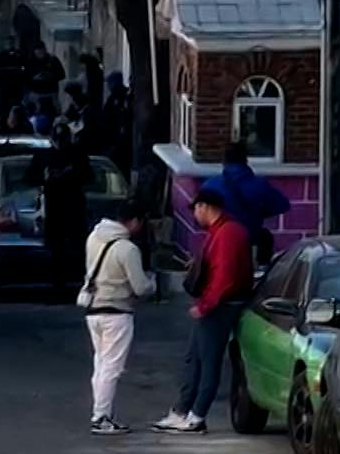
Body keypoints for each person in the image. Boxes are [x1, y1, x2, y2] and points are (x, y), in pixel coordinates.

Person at [153, 188, 254, 434]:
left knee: (207, 361)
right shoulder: (222, 232)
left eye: (196, 209)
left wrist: (205, 304)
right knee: (195, 359)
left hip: (221, 306)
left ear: (204, 207)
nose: (195, 215)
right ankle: (182, 410)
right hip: (218, 304)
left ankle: (196, 416)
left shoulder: (227, 234)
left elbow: (224, 277)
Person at [81, 200, 156, 435]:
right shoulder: (128, 248)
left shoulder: (94, 237)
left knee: (101, 365)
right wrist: (152, 282)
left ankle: (102, 413)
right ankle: (101, 416)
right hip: (117, 313)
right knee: (112, 367)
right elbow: (140, 287)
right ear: (133, 222)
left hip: (93, 309)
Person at [202, 142, 291, 268]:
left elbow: (201, 216)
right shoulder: (259, 184)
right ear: (245, 160)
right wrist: (260, 212)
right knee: (265, 237)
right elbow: (283, 205)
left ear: (224, 161)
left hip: (221, 237)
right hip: (250, 235)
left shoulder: (211, 185)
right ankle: (262, 270)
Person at [32, 128, 92, 286]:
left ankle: (78, 280)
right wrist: (44, 177)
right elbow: (30, 177)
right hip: (53, 206)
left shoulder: (78, 155)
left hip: (73, 206)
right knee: (54, 248)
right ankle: (56, 284)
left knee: (76, 247)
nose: (60, 143)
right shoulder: (43, 156)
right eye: (57, 139)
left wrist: (71, 173)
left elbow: (89, 176)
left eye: (63, 139)